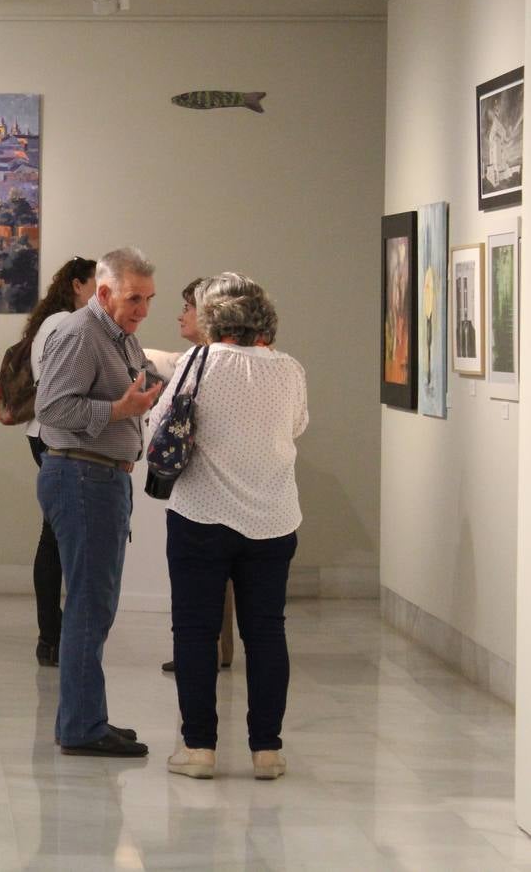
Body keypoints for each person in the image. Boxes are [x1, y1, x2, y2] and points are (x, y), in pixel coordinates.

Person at [159, 273, 307, 781]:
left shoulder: (197, 362)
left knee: (195, 631)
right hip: (272, 516)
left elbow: (164, 419)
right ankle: (267, 750)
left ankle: (199, 748)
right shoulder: (289, 369)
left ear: (213, 319)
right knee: (266, 632)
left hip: (201, 512)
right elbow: (297, 426)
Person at [35, 247, 164, 757]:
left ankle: (87, 717)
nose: (143, 310)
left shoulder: (119, 336)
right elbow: (52, 407)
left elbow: (140, 382)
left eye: (149, 299)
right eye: (135, 299)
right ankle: (81, 728)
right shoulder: (80, 334)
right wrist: (117, 411)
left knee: (97, 605)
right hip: (81, 478)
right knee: (90, 607)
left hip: (102, 478)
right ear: (105, 293)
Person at [21, 256, 98, 667]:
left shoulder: (53, 323)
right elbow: (63, 392)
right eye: (96, 284)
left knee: (54, 536)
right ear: (76, 285)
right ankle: (52, 635)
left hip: (47, 435)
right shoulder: (64, 325)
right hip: (54, 438)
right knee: (56, 538)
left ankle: (53, 634)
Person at [159, 278, 237, 675]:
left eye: (188, 307)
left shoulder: (202, 362)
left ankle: (205, 652)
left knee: (200, 591)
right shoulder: (238, 360)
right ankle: (214, 649)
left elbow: (162, 419)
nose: (181, 315)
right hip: (234, 502)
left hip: (204, 500)